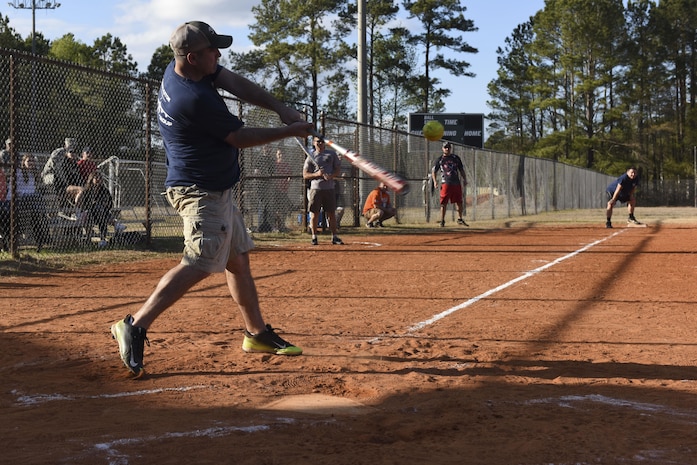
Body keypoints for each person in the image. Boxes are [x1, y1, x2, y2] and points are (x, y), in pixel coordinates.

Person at [110, 20, 313, 378]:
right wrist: (287, 130)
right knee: (201, 261)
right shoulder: (195, 99)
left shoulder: (179, 72)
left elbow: (233, 81)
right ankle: (135, 325)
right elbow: (237, 136)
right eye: (212, 50)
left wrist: (280, 108)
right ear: (192, 56)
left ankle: (256, 334)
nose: (218, 55)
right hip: (199, 191)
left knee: (238, 262)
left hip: (212, 187)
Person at [303, 137, 344, 245]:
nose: (320, 143)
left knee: (331, 213)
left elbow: (337, 169)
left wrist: (331, 176)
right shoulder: (311, 156)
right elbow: (305, 174)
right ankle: (314, 236)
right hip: (316, 189)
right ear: (314, 143)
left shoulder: (331, 154)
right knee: (314, 213)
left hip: (329, 188)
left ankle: (334, 236)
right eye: (318, 142)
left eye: (322, 141)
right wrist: (317, 174)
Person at [73, 171, 125, 247]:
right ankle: (109, 230)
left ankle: (104, 238)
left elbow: (110, 203)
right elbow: (84, 204)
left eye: (100, 178)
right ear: (91, 179)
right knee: (98, 208)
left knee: (100, 210)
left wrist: (105, 205)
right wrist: (94, 204)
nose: (98, 179)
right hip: (89, 213)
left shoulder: (104, 190)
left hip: (101, 214)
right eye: (96, 177)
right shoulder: (87, 190)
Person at [15, 154, 50, 252]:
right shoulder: (19, 172)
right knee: (37, 198)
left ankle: (41, 241)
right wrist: (30, 195)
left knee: (36, 216)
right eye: (28, 161)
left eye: (32, 161)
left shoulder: (32, 174)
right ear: (24, 162)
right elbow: (17, 190)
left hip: (31, 201)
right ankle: (43, 214)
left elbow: (33, 190)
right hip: (21, 199)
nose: (31, 163)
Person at [432, 141, 468, 227]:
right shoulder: (440, 159)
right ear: (442, 148)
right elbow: (434, 171)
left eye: (448, 147)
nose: (447, 149)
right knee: (443, 202)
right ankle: (442, 220)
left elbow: (461, 170)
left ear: (450, 148)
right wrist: (435, 181)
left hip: (456, 182)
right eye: (445, 147)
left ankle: (460, 219)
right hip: (446, 183)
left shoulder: (456, 158)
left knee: (459, 201)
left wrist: (464, 179)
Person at [272, 148, 292, 232]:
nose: (281, 156)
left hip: (284, 190)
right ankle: (275, 226)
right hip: (276, 191)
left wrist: (288, 182)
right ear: (276, 155)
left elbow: (289, 177)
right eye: (279, 154)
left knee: (283, 209)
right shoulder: (274, 165)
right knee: (276, 210)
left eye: (282, 154)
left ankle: (282, 226)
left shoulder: (287, 165)